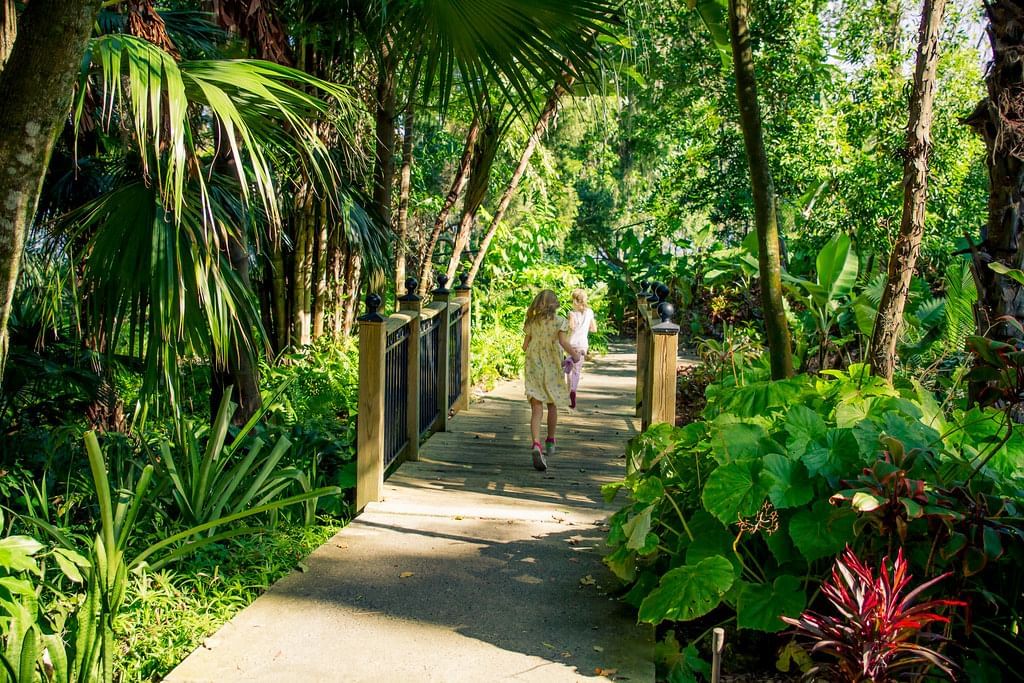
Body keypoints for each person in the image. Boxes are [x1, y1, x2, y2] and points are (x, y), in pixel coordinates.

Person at [523, 289, 580, 471]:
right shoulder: (560, 322)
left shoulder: (531, 322)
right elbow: (563, 342)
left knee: (536, 406)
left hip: (534, 366)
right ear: (555, 305)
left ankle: (536, 443)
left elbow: (525, 346)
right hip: (552, 367)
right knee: (552, 404)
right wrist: (575, 355)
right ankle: (550, 441)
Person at [565, 289, 597, 409]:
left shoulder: (571, 313)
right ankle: (573, 390)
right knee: (577, 371)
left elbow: (571, 328)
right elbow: (594, 329)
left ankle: (568, 392)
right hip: (583, 344)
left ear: (574, 300)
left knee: (568, 370)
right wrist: (584, 328)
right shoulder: (590, 312)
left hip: (571, 343)